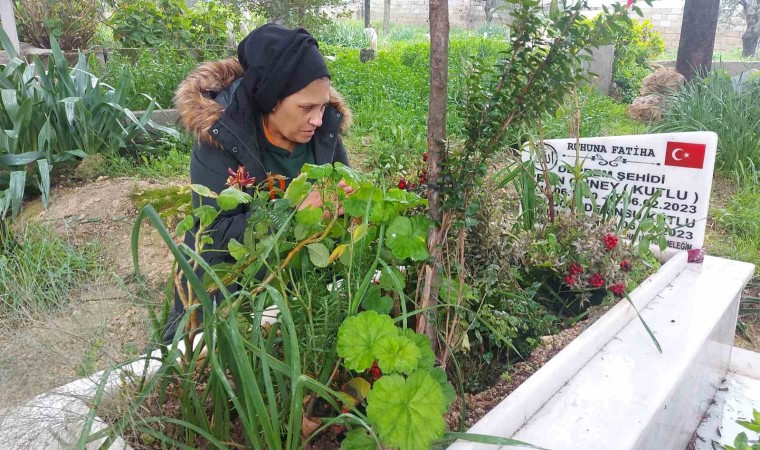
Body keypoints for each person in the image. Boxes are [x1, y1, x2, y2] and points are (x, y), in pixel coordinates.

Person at [165, 23, 353, 341]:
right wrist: (292, 212)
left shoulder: (323, 133)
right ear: (269, 100)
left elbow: (342, 190)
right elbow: (216, 236)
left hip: (299, 281)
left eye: (322, 106)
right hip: (228, 287)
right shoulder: (222, 137)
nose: (319, 119)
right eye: (306, 108)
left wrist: (347, 205)